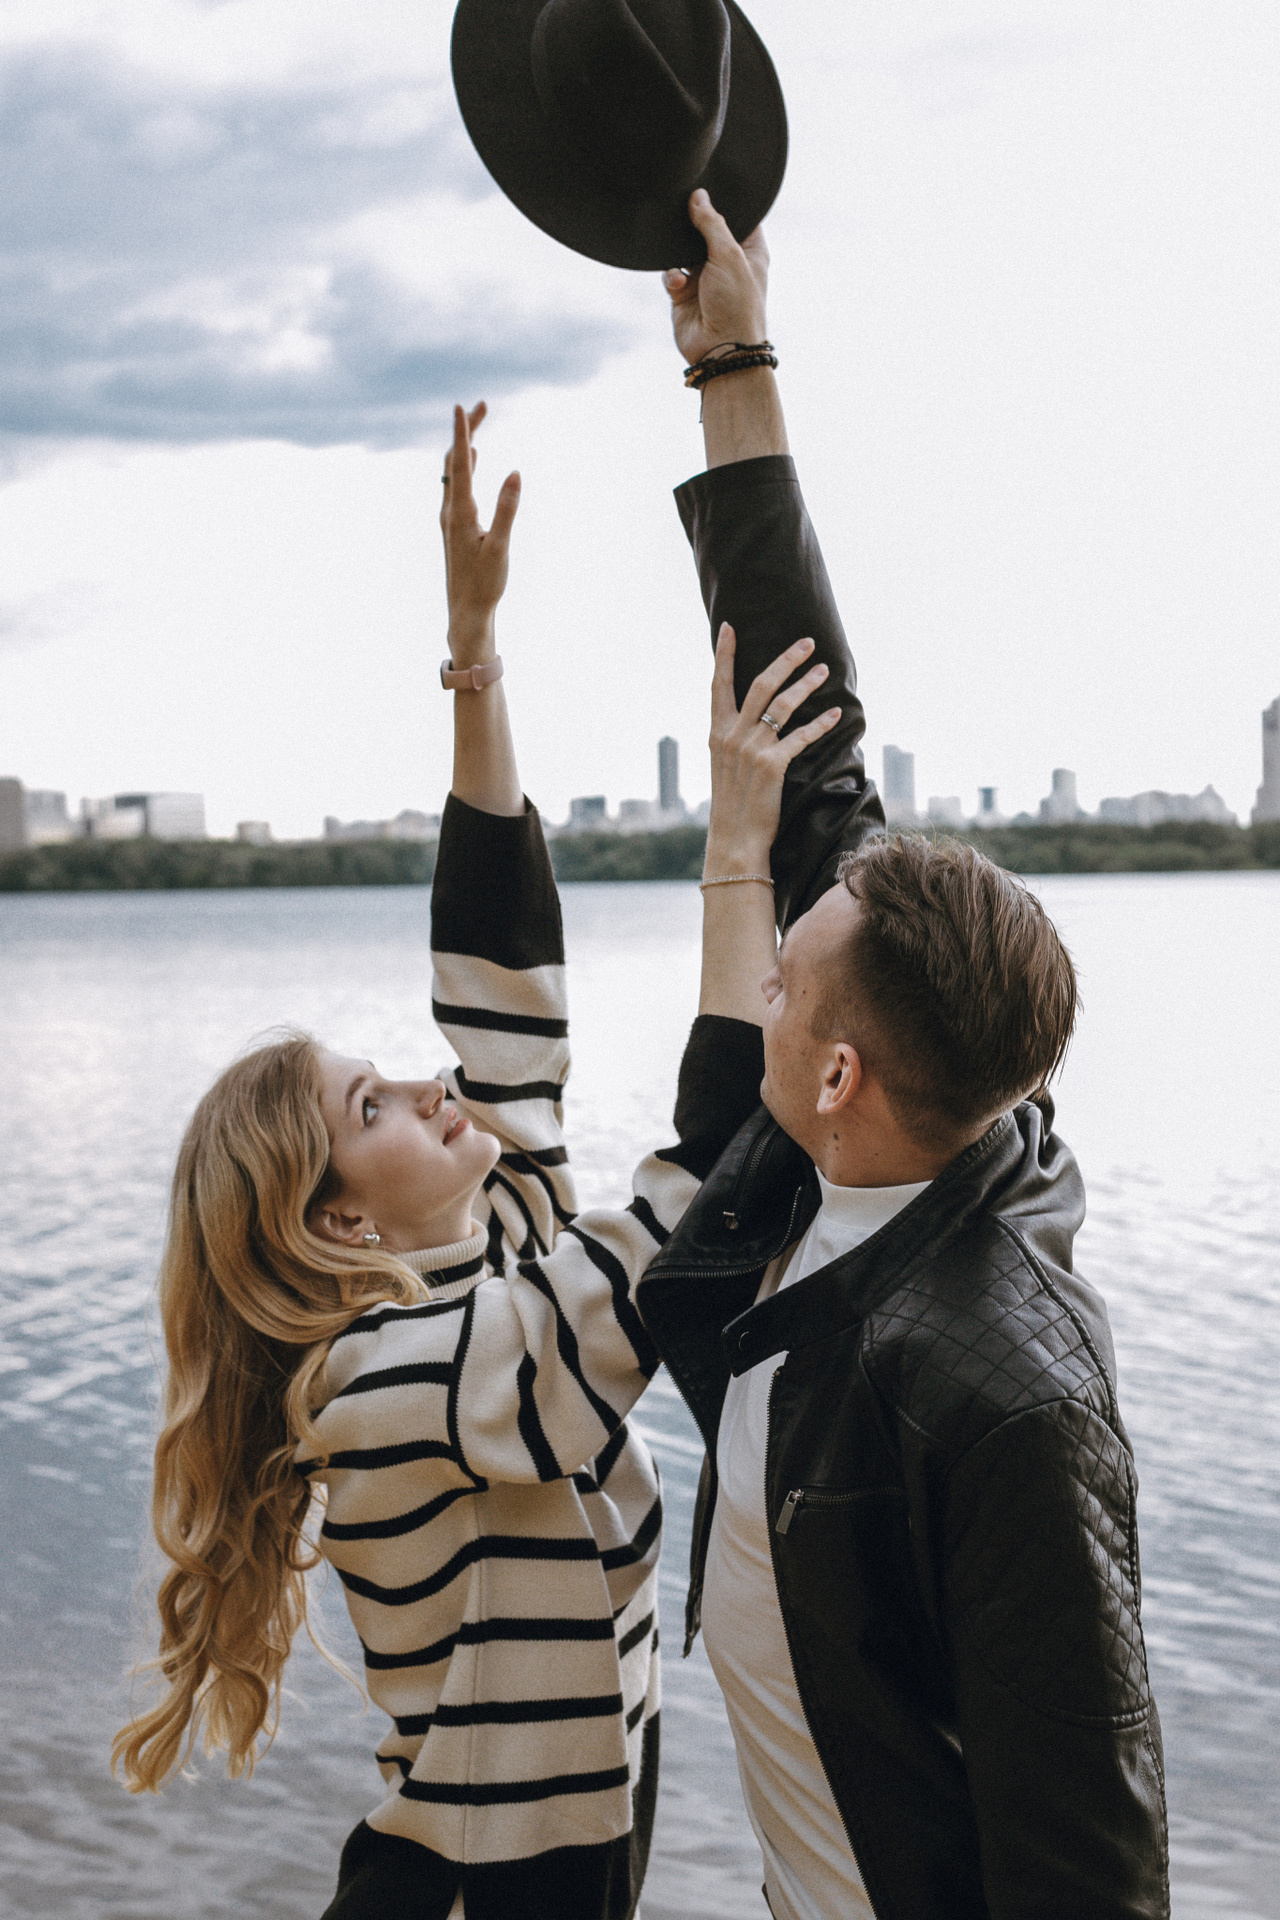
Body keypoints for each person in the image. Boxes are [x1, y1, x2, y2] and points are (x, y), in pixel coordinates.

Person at [111, 399, 841, 1920]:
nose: (430, 1084)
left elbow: (500, 981)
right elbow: (687, 1201)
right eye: (371, 1107)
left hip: (580, 1840)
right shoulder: (385, 1384)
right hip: (467, 1891)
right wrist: (737, 848)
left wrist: (473, 647)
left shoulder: (487, 1260)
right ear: (330, 1223)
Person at [636, 190, 1170, 1919]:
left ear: (840, 1078)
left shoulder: (1010, 1405)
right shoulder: (907, 1117)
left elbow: (1087, 1863)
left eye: (782, 981)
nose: (760, 980)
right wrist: (733, 359)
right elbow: (822, 750)